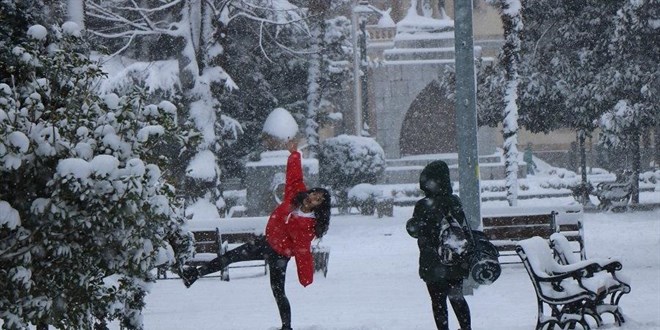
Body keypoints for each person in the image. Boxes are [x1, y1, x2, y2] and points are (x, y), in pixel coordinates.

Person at [180, 140, 331, 330]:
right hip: (266, 243)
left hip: (280, 254)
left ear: (320, 206)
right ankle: (194, 274)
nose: (313, 198)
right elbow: (294, 178)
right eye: (314, 194)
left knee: (278, 291)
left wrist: (305, 274)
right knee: (229, 257)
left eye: (318, 199)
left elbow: (302, 248)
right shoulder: (295, 196)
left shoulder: (310, 224)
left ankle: (287, 327)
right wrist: (294, 155)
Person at [406, 160, 472, 330]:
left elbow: (417, 232)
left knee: (438, 301)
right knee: (457, 298)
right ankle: (466, 328)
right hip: (455, 259)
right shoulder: (454, 201)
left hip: (432, 262)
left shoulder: (423, 206)